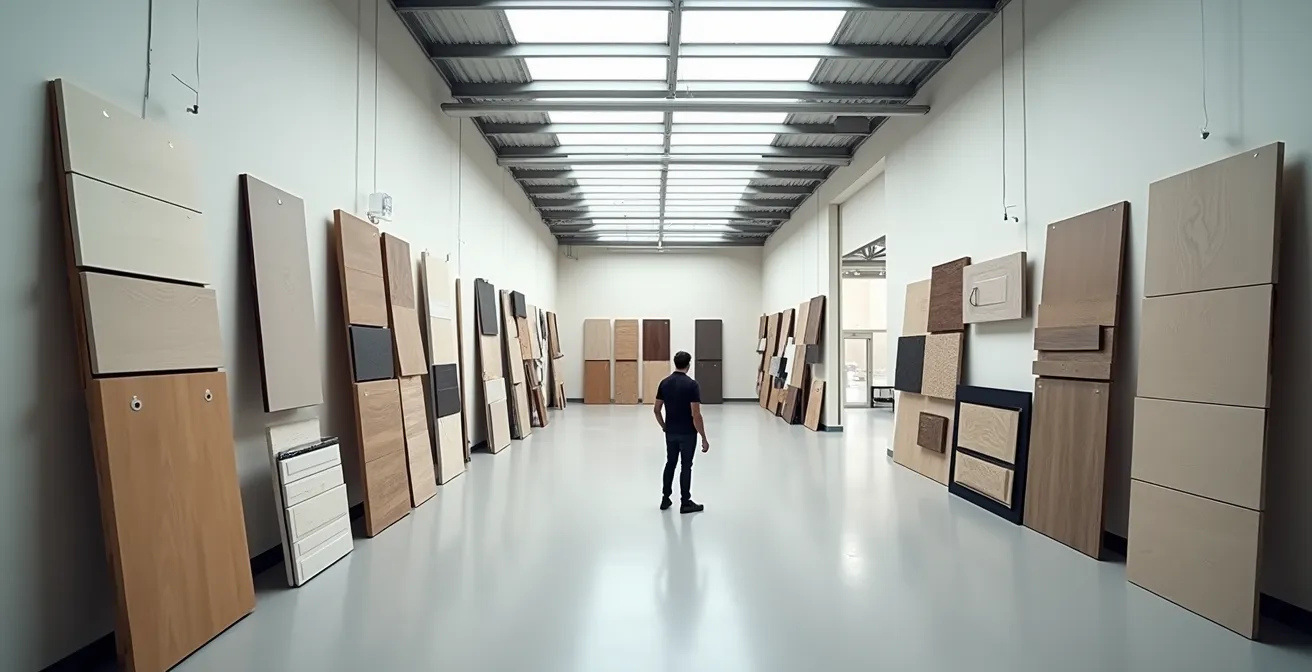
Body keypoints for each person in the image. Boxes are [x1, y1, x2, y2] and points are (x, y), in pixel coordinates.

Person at [653, 351, 710, 513]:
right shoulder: (692, 385)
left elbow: (656, 409)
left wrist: (664, 426)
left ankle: (665, 499)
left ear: (675, 363)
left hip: (670, 432)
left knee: (670, 463)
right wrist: (704, 438)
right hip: (687, 434)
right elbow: (696, 414)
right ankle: (685, 502)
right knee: (686, 466)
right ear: (689, 364)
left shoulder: (664, 383)